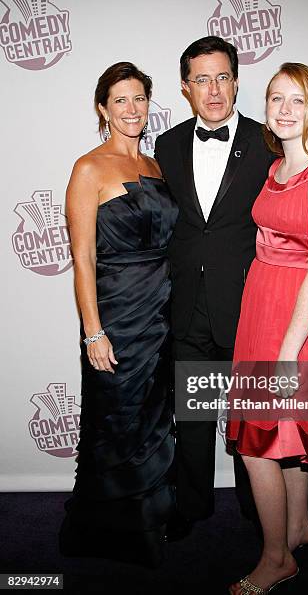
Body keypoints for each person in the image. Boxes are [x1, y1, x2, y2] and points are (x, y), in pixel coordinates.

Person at [227, 62, 308, 594]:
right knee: (289, 435)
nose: (283, 109)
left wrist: (286, 352)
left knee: (257, 446)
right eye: (276, 98)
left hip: (296, 318)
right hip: (262, 304)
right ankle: (298, 526)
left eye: (297, 100)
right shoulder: (276, 167)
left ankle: (276, 558)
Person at [155, 36, 276, 539]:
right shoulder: (167, 144)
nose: (213, 89)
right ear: (185, 88)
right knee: (196, 415)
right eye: (201, 79)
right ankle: (193, 505)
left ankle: (259, 509)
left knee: (253, 417)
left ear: (236, 81)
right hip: (186, 307)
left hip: (248, 304)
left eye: (222, 77)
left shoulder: (269, 140)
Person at [59, 62, 178, 567]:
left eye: (140, 98)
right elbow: (82, 257)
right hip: (117, 313)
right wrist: (93, 332)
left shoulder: (156, 167)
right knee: (115, 421)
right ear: (103, 109)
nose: (132, 109)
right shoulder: (88, 168)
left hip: (162, 311)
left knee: (153, 421)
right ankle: (107, 530)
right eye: (120, 100)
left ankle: (150, 522)